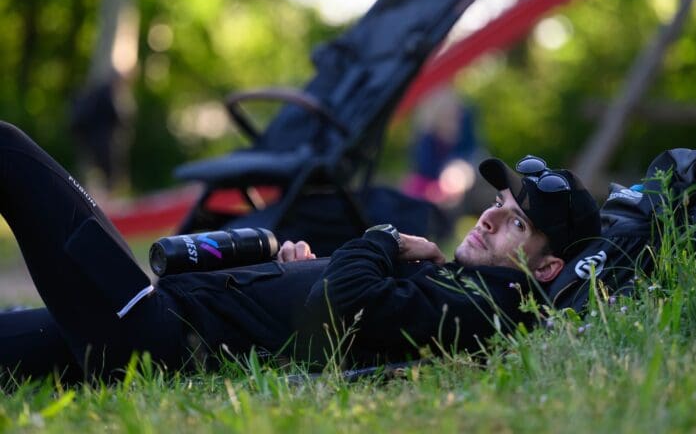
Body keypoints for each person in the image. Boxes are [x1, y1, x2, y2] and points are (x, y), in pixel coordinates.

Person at [0, 121, 601, 380]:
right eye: (499, 202)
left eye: (517, 223)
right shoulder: (455, 284)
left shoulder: (489, 302)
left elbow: (356, 295)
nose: (491, 216)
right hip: (156, 314)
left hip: (151, 332)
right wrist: (301, 272)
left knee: (11, 152)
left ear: (547, 266)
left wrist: (384, 238)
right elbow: (341, 311)